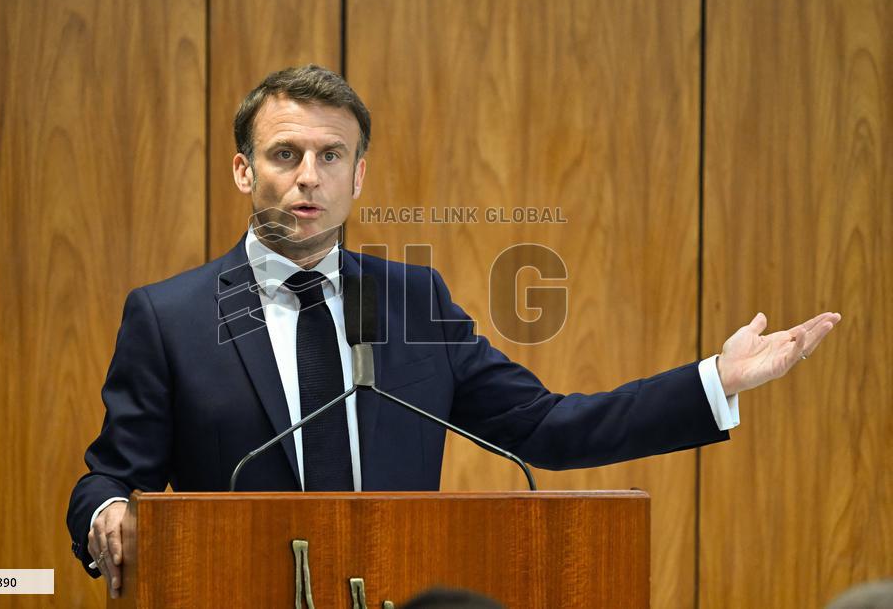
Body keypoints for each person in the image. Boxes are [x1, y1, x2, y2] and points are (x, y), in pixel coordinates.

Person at [66, 65, 840, 599]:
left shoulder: (409, 301)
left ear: (358, 176)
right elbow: (107, 477)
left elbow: (548, 428)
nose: (309, 176)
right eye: (285, 154)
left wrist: (715, 380)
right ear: (244, 171)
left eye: (331, 155)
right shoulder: (169, 317)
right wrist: (110, 515)